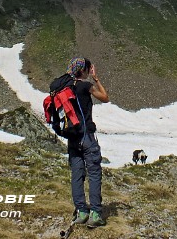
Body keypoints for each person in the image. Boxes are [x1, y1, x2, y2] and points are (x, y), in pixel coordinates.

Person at [66, 57, 109, 228]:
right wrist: (96, 79)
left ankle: (81, 211)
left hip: (72, 138)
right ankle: (96, 214)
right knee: (94, 173)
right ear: (84, 70)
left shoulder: (66, 87)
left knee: (77, 174)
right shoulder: (85, 85)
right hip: (87, 137)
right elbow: (105, 98)